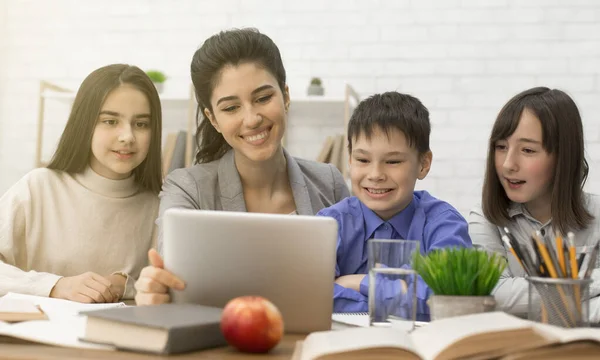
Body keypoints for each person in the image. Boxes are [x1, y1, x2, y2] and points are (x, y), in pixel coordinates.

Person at [134, 28, 350, 306]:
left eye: (262, 98)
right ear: (213, 119)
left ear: (285, 96)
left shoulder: (328, 182)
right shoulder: (187, 189)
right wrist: (156, 290)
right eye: (231, 108)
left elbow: (358, 276)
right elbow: (175, 285)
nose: (251, 119)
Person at [0, 64, 162, 303]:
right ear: (85, 124)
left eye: (141, 124)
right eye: (110, 121)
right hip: (35, 335)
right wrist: (56, 285)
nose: (127, 136)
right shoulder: (38, 188)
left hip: (119, 339)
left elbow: (172, 288)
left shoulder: (160, 205)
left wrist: (127, 285)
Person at [317, 91, 472, 319]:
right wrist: (404, 296)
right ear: (349, 160)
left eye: (393, 161)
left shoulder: (445, 223)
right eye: (362, 160)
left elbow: (448, 299)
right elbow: (313, 294)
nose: (376, 174)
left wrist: (359, 282)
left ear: (423, 164)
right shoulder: (330, 224)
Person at [469, 87, 600, 319]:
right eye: (501, 147)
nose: (508, 164)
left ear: (563, 157)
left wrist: (528, 298)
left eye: (528, 150)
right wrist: (588, 280)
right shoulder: (485, 219)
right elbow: (492, 294)